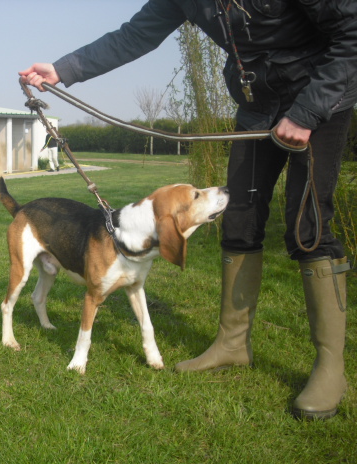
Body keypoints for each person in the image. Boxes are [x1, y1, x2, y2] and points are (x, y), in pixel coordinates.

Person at [20, 0, 355, 420]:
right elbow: (134, 34)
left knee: (309, 226)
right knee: (238, 217)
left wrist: (307, 111)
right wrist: (64, 69)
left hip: (321, 94)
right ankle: (232, 344)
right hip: (258, 102)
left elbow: (351, 33)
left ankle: (330, 365)